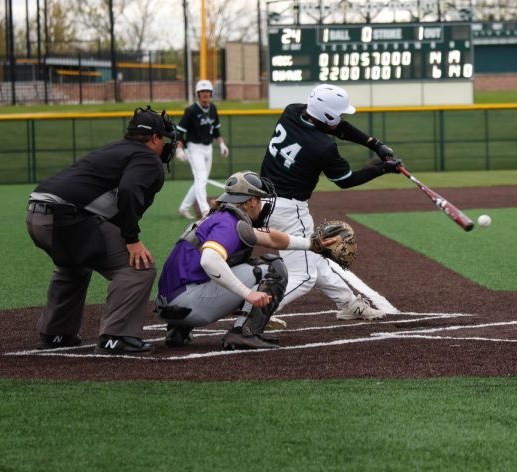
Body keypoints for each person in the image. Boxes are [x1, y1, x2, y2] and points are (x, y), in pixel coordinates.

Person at [26, 105, 177, 355]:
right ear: (154, 138)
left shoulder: (113, 149)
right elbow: (128, 191)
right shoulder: (148, 157)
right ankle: (116, 337)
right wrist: (132, 239)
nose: (166, 144)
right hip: (67, 217)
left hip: (36, 213)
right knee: (138, 268)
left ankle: (56, 334)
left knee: (75, 265)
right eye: (164, 138)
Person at [260, 83, 402, 322]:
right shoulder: (323, 147)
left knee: (315, 259)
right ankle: (256, 311)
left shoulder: (292, 111)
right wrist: (383, 168)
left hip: (263, 200)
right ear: (326, 116)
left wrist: (374, 144)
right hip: (289, 209)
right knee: (303, 275)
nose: (342, 118)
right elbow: (346, 180)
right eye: (339, 114)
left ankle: (349, 304)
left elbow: (339, 127)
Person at [155, 170, 338, 350]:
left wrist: (312, 244)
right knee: (272, 267)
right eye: (259, 199)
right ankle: (245, 332)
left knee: (220, 267)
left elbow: (271, 238)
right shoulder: (229, 223)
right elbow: (209, 261)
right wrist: (247, 294)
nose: (262, 204)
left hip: (170, 306)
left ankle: (178, 331)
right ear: (251, 201)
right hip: (190, 305)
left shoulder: (217, 217)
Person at [175, 79, 229, 219]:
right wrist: (179, 149)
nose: (205, 94)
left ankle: (183, 208)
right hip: (194, 148)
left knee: (201, 180)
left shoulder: (213, 108)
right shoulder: (191, 110)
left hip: (208, 147)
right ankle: (205, 210)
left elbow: (216, 130)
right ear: (197, 94)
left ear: (211, 94)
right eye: (202, 92)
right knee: (201, 178)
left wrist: (222, 144)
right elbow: (179, 132)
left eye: (207, 91)